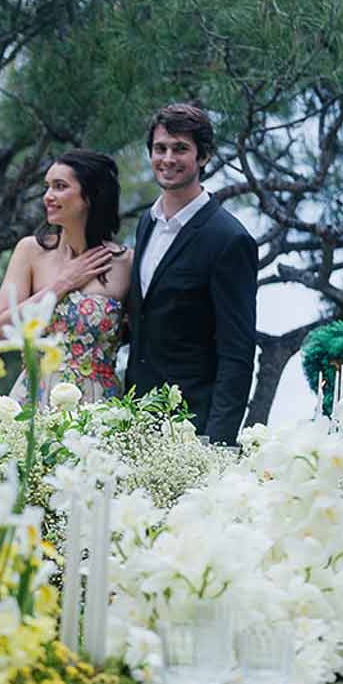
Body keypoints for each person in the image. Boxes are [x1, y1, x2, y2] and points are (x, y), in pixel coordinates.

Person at [124, 102, 258, 444]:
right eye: (160, 148)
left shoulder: (229, 238)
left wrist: (217, 443)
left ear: (204, 156)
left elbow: (237, 353)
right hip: (136, 421)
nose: (167, 158)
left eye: (180, 149)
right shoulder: (146, 223)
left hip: (192, 428)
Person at [0, 149, 130, 404]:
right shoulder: (30, 251)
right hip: (34, 400)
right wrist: (63, 283)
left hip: (98, 406)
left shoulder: (126, 263)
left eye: (60, 187)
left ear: (91, 195)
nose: (47, 197)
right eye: (47, 187)